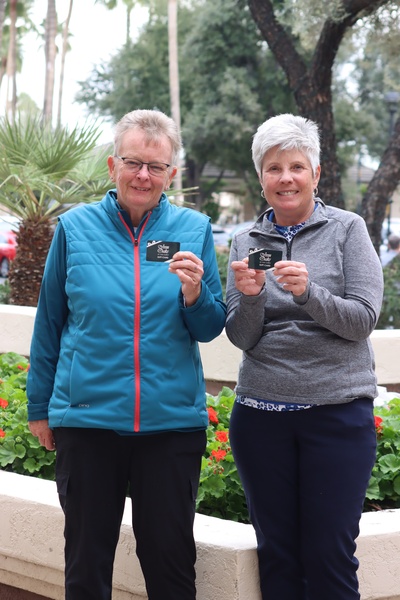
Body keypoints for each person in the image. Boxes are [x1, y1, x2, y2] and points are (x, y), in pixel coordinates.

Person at [26, 109, 226, 600]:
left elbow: (210, 327)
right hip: (88, 422)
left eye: (155, 167)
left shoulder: (194, 228)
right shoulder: (75, 228)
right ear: (113, 165)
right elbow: (50, 321)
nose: (143, 175)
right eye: (134, 162)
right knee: (86, 565)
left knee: (171, 565)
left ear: (170, 174)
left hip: (170, 425)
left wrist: (195, 293)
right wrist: (39, 408)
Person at [225, 113, 383, 600]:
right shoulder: (245, 242)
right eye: (274, 168)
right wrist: (252, 296)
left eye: (297, 166)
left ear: (316, 173)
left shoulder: (348, 229)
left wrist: (308, 293)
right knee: (277, 555)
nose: (286, 178)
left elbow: (362, 320)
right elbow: (241, 337)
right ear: (261, 178)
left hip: (336, 416)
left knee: (329, 555)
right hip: (260, 417)